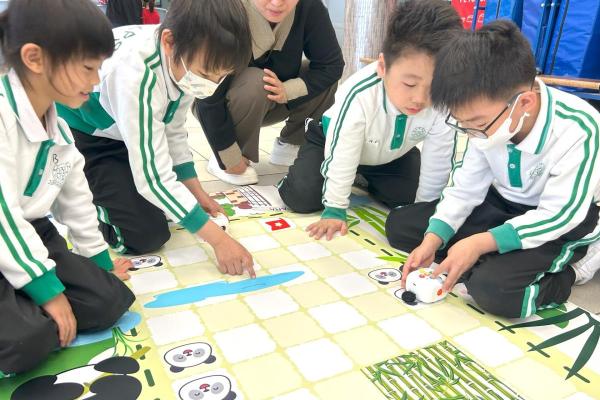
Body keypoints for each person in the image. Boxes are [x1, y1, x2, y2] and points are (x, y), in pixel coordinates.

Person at [386, 20, 600, 319]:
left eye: (478, 124)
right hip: (501, 203)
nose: (472, 132)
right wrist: (433, 239)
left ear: (524, 102)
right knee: (401, 226)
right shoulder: (487, 118)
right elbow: (465, 188)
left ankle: (575, 268)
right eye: (463, 124)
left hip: (560, 220)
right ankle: (491, 256)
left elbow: (560, 214)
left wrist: (479, 243)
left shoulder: (579, 127)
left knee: (494, 291)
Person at [57, 0, 256, 277]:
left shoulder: (184, 58)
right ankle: (84, 192)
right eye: (205, 74)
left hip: (127, 131)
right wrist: (219, 241)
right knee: (142, 236)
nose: (212, 84)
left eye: (221, 76)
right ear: (169, 42)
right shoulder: (135, 74)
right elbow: (152, 178)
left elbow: (173, 129)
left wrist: (196, 192)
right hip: (86, 134)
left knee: (168, 204)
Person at [0, 0, 135, 375]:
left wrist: (99, 262)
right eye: (88, 68)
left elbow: (76, 200)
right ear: (35, 58)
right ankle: (23, 303)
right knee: (27, 342)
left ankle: (21, 293)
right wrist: (47, 290)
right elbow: (3, 218)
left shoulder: (57, 126)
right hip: (5, 229)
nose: (95, 81)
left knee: (109, 301)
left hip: (29, 232)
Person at [279, 0, 462, 240]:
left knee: (410, 197)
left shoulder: (443, 99)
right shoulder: (360, 95)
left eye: (434, 86)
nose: (419, 98)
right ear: (383, 67)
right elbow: (343, 151)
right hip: (332, 142)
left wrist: (422, 212)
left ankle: (361, 177)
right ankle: (306, 177)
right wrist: (335, 208)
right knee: (302, 196)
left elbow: (439, 159)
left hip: (391, 153)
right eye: (409, 84)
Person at [193, 0, 344, 185]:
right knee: (257, 80)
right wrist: (227, 157)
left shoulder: (309, 6)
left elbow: (331, 65)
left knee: (323, 79)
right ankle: (231, 155)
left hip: (275, 100)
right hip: (223, 104)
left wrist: (289, 90)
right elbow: (206, 91)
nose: (277, 3)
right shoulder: (225, 9)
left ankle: (292, 143)